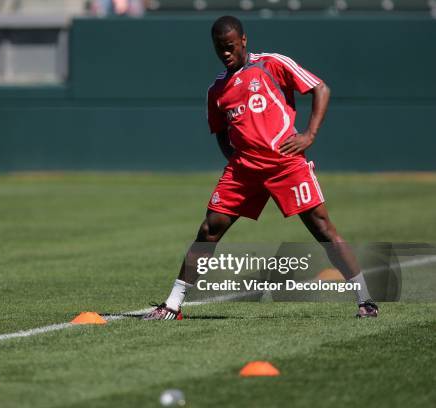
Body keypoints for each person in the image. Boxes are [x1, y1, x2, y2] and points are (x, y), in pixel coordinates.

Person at [143, 15, 378, 320]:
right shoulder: (217, 90)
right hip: (244, 170)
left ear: (243, 40)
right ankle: (172, 305)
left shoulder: (270, 64)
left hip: (285, 164)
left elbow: (320, 89)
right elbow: (220, 133)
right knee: (208, 230)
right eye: (219, 48)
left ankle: (365, 300)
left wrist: (309, 135)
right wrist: (235, 160)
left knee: (322, 228)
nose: (225, 52)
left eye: (229, 46)